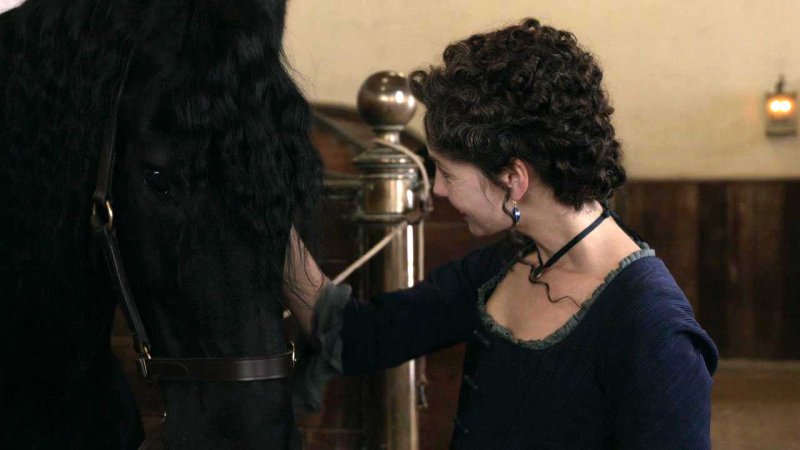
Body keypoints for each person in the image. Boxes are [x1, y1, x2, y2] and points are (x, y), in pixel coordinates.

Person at [284, 18, 718, 449]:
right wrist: (271, 222)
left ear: (513, 179)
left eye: (448, 173)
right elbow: (358, 335)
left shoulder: (654, 329)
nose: (437, 190)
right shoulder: (508, 261)